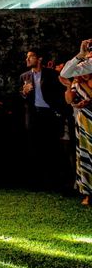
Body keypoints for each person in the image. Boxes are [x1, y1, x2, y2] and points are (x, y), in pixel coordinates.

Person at [20, 47, 65, 189]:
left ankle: (54, 181)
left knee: (51, 147)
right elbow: (21, 96)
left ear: (39, 59)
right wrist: (24, 93)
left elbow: (59, 94)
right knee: (34, 148)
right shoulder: (24, 76)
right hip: (33, 115)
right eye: (26, 57)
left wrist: (58, 111)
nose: (27, 59)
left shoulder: (52, 74)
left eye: (30, 56)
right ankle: (36, 182)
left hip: (49, 114)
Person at [61, 39, 92, 205]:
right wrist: (80, 54)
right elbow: (65, 73)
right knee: (85, 156)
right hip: (85, 120)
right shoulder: (84, 68)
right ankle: (88, 193)